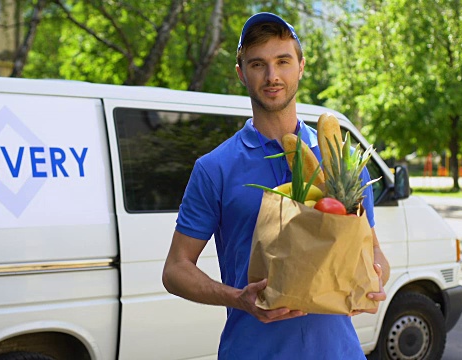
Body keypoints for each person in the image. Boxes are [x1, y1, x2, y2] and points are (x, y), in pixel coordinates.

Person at [162, 12, 390, 359]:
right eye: (258, 64)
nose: (272, 76)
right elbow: (176, 269)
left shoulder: (340, 162)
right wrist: (238, 298)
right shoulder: (215, 168)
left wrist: (373, 279)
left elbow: (374, 251)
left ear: (300, 66)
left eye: (283, 61)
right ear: (241, 73)